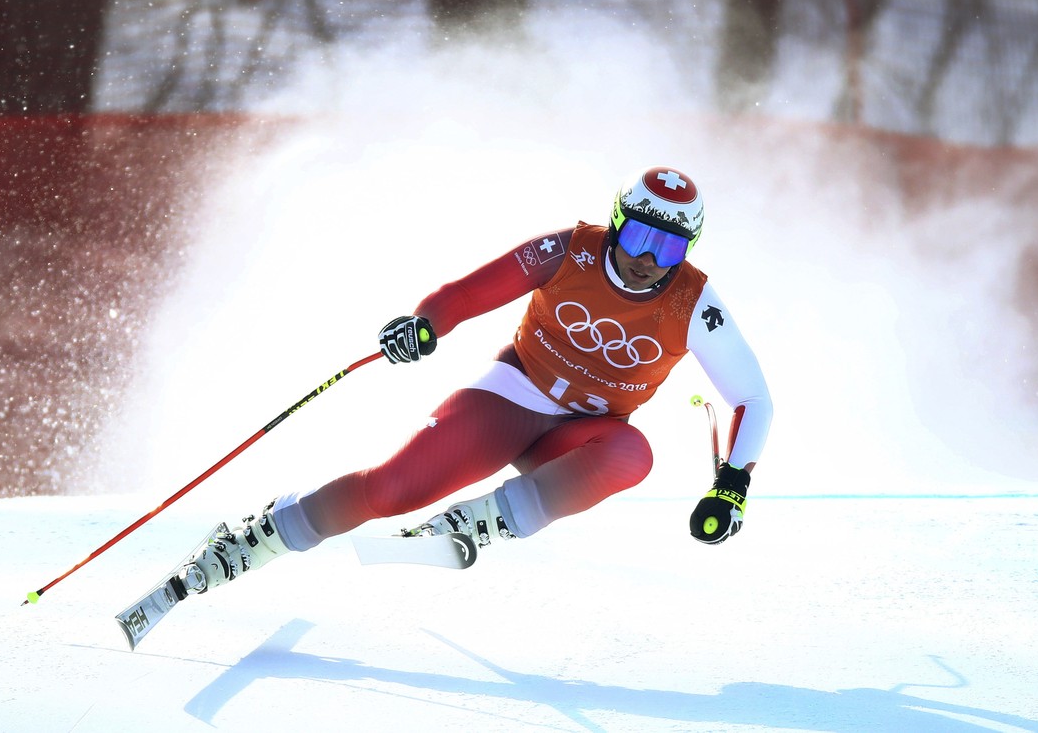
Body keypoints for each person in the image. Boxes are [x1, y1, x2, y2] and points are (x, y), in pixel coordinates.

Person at [176, 166, 773, 595]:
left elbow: (752, 397)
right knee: (392, 489)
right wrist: (424, 325)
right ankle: (256, 538)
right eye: (641, 235)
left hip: (581, 436)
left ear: (687, 250)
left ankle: (478, 523)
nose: (649, 259)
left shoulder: (696, 304)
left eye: (669, 247)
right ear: (618, 224)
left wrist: (732, 484)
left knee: (632, 453)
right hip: (511, 399)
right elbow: (465, 294)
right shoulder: (569, 251)